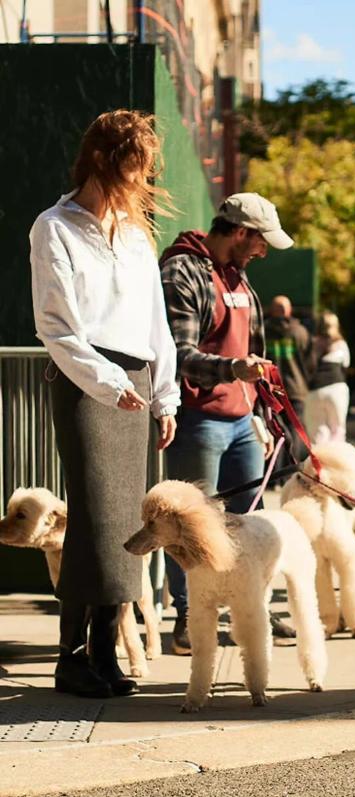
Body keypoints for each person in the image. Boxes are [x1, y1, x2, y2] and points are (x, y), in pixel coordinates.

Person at [29, 110, 180, 698]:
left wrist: (164, 396)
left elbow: (156, 324)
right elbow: (56, 325)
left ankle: (104, 654)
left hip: (137, 380)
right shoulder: (54, 227)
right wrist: (104, 379)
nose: (141, 183)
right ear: (101, 161)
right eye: (133, 170)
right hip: (86, 379)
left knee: (125, 522)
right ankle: (70, 660)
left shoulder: (138, 233)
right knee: (93, 518)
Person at [159, 193, 296, 652]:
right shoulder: (182, 270)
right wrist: (232, 370)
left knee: (251, 524)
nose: (264, 252)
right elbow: (177, 354)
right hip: (199, 420)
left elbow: (248, 346)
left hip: (242, 421)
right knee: (193, 527)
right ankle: (187, 620)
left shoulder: (238, 275)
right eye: (261, 243)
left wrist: (262, 403)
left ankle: (252, 609)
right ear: (240, 233)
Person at [264, 295, 313, 464]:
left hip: (271, 389)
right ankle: (294, 468)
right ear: (289, 310)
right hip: (296, 389)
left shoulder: (263, 331)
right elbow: (310, 361)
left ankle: (274, 473)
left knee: (274, 430)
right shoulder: (300, 332)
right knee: (297, 430)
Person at [304, 311, 351, 444]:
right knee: (338, 432)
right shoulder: (341, 344)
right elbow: (345, 365)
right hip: (336, 387)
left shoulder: (312, 344)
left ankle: (320, 463)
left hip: (314, 390)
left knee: (317, 435)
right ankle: (337, 462)